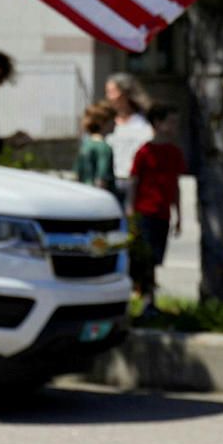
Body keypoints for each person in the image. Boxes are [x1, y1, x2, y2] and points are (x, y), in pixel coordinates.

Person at [129, 102, 186, 317]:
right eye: (171, 122)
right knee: (146, 259)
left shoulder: (174, 153)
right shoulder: (144, 151)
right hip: (145, 211)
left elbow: (176, 186)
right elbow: (134, 181)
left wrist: (180, 215)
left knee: (156, 258)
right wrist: (131, 210)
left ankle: (149, 300)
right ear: (157, 123)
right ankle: (146, 300)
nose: (174, 127)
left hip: (163, 213)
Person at [104, 72, 153, 201]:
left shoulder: (142, 123)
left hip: (135, 187)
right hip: (110, 186)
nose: (108, 97)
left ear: (124, 94)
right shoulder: (106, 123)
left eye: (112, 92)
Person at [75, 101, 119, 199]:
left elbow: (77, 175)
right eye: (113, 120)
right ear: (103, 122)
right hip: (100, 200)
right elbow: (101, 179)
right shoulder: (104, 148)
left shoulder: (85, 145)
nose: (115, 123)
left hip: (84, 196)